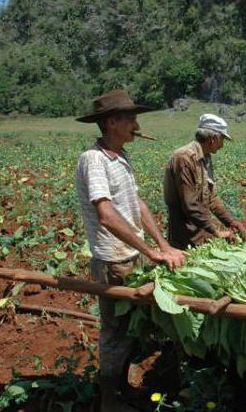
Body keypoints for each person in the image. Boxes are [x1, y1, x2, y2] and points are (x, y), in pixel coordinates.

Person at [75, 90, 187, 412]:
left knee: (130, 330)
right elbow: (106, 214)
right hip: (112, 260)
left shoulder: (121, 156)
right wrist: (151, 252)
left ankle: (123, 390)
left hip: (130, 255)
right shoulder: (94, 160)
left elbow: (135, 204)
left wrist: (162, 245)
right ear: (112, 122)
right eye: (131, 119)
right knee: (115, 332)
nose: (137, 125)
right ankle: (110, 401)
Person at [163, 114, 246, 249]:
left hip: (201, 230)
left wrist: (230, 222)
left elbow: (211, 197)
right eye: (222, 139)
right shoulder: (184, 158)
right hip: (185, 235)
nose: (222, 145)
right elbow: (190, 204)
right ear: (213, 138)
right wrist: (216, 231)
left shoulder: (205, 157)